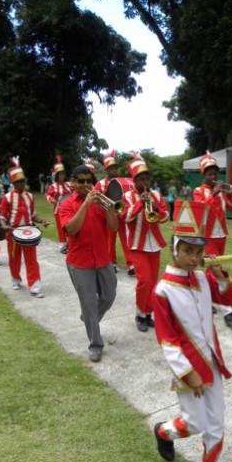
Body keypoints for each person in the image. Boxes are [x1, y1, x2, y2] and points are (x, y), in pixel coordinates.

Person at [152, 200, 232, 462]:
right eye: (187, 250)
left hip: (213, 362)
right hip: (189, 368)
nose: (193, 257)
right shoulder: (162, 290)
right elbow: (167, 340)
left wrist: (219, 276)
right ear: (173, 249)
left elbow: (230, 297)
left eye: (198, 252)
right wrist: (187, 373)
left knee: (216, 424)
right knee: (194, 424)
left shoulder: (202, 278)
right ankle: (164, 431)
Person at [59, 164, 119, 363]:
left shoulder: (101, 202)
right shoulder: (66, 204)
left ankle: (88, 317)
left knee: (109, 296)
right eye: (82, 181)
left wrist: (111, 209)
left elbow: (114, 226)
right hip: (80, 262)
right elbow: (71, 229)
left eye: (89, 181)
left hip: (102, 258)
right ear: (73, 183)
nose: (86, 185)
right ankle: (95, 344)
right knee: (89, 303)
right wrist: (85, 204)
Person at [193, 151, 232, 326]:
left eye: (215, 174)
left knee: (209, 271)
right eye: (210, 174)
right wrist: (214, 193)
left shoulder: (221, 191)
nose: (213, 177)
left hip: (221, 235)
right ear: (203, 175)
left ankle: (205, 301)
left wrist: (231, 194)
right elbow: (202, 209)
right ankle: (228, 310)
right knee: (217, 270)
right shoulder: (198, 191)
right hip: (208, 236)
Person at [122, 154, 169, 332]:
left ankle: (148, 313)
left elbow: (165, 217)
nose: (144, 182)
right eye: (140, 179)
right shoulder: (127, 196)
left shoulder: (156, 194)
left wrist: (155, 208)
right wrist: (140, 203)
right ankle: (140, 314)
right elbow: (125, 217)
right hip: (136, 244)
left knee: (153, 281)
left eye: (146, 178)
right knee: (144, 281)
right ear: (134, 180)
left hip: (154, 244)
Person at [0, 156, 50, 297]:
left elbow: (33, 215)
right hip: (13, 233)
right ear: (13, 183)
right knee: (14, 258)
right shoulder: (7, 198)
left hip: (29, 232)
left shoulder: (29, 196)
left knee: (31, 259)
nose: (22, 184)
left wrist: (42, 221)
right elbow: (2, 217)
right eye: (19, 182)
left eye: (23, 181)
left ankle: (35, 286)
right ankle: (15, 279)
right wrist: (5, 226)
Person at [95, 150, 135, 276]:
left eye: (115, 168)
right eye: (111, 168)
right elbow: (96, 200)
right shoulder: (100, 184)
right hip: (109, 216)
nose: (114, 170)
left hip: (121, 215)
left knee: (126, 240)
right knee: (109, 241)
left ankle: (131, 265)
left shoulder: (121, 181)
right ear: (106, 170)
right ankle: (112, 263)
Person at [46, 155, 72, 254]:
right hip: (58, 209)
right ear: (56, 175)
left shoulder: (68, 184)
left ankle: (70, 243)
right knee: (61, 227)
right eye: (60, 174)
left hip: (70, 209)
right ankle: (62, 244)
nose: (62, 176)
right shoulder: (53, 186)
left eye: (63, 174)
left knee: (69, 226)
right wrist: (51, 200)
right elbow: (48, 195)